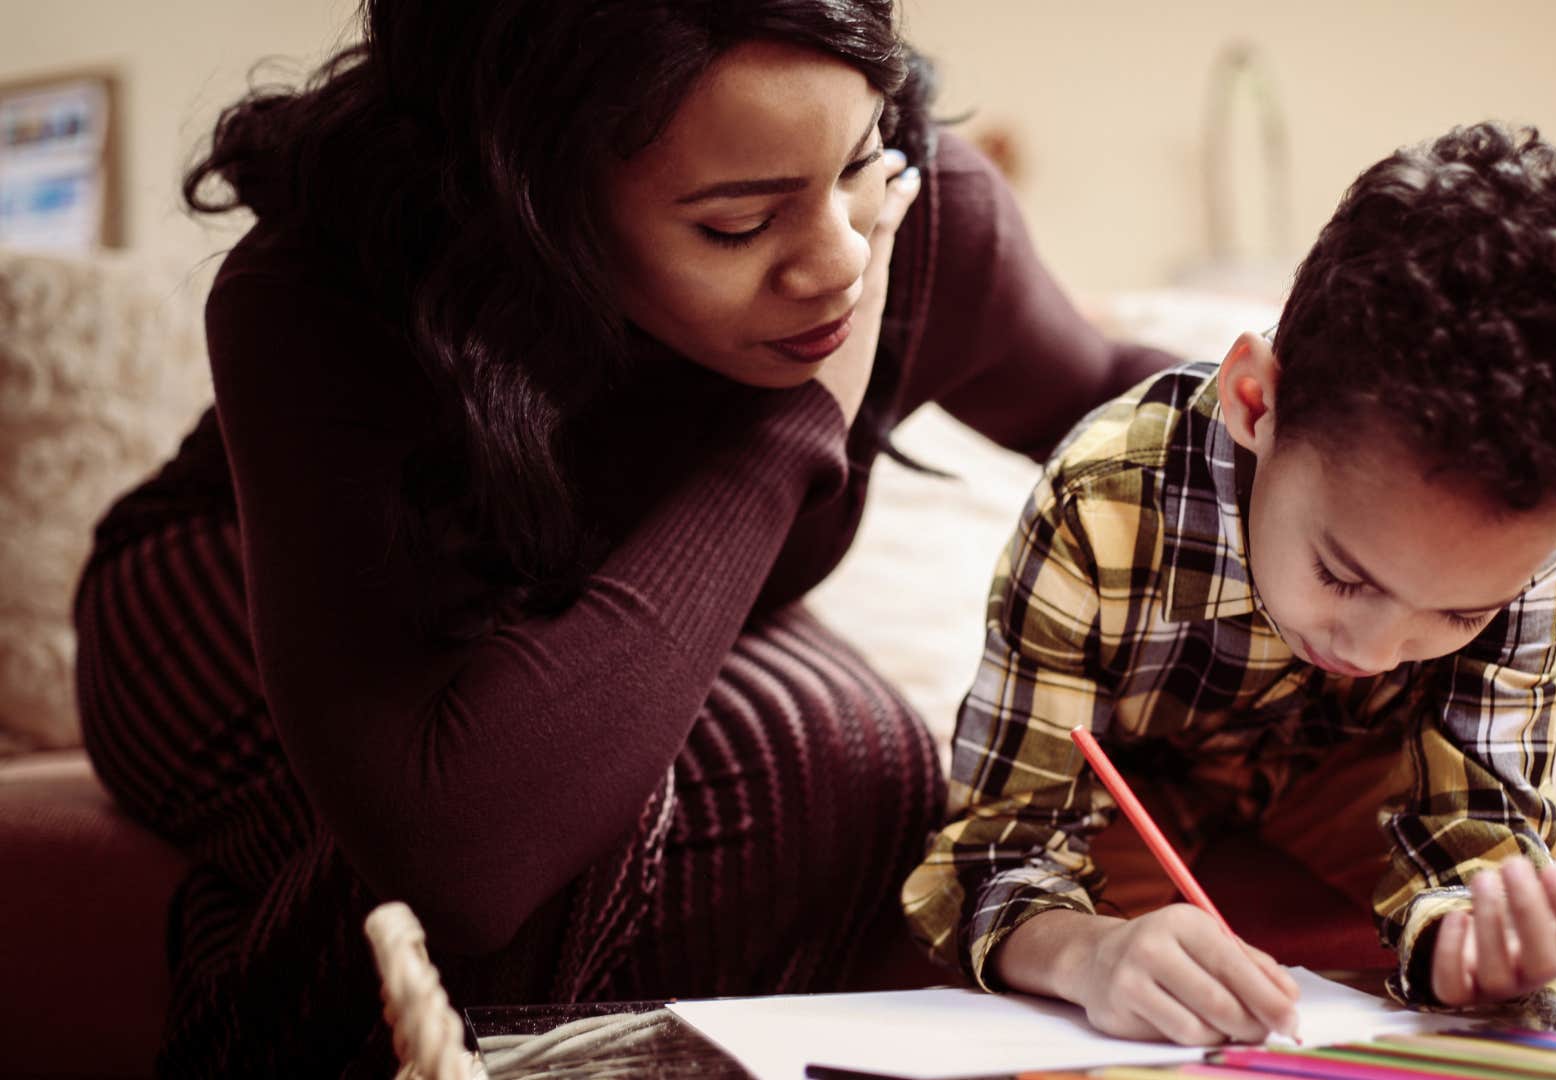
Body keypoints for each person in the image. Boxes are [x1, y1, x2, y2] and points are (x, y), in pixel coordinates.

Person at [72, 1, 1177, 1073]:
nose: (840, 262)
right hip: (239, 592)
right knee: (562, 812)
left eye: (855, 164)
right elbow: (465, 857)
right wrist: (791, 432)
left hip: (597, 623)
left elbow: (1113, 406)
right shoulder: (323, 294)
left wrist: (1271, 408)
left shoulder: (912, 215)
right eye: (737, 225)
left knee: (851, 758)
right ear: (535, 202)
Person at [904, 122, 1556, 1046]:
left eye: (1461, 613)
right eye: (1342, 575)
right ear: (1254, 401)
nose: (1373, 652)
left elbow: (1477, 821)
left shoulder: (1529, 530)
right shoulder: (1102, 502)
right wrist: (1089, 955)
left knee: (1552, 961)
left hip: (1360, 769)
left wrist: (1466, 944)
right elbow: (997, 851)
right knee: (1115, 1007)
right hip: (1139, 786)